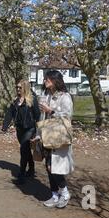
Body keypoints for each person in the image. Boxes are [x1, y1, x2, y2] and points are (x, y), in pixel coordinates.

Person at [33, 70, 74, 209]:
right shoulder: (46, 95)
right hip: (46, 136)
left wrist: (50, 110)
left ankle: (64, 193)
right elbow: (42, 118)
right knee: (48, 167)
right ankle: (55, 194)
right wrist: (38, 134)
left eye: (48, 79)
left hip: (58, 136)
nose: (45, 81)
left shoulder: (65, 97)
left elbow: (67, 117)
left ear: (55, 80)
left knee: (54, 167)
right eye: (45, 79)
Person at [1, 79, 41, 184]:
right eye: (17, 87)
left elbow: (37, 114)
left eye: (20, 87)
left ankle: (21, 175)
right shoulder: (15, 101)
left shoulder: (32, 100)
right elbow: (9, 114)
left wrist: (39, 130)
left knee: (23, 150)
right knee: (27, 151)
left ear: (25, 88)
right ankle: (31, 170)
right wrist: (5, 126)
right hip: (20, 130)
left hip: (30, 129)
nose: (18, 89)